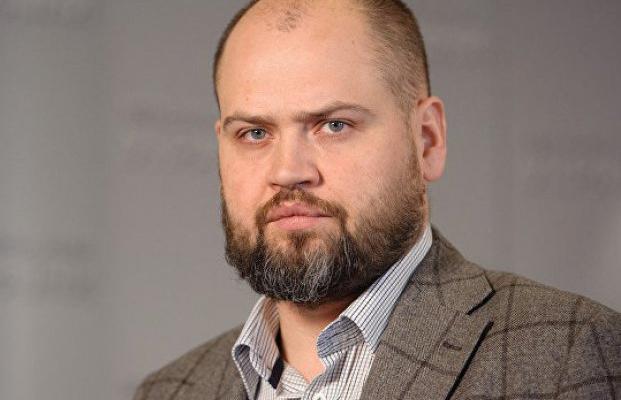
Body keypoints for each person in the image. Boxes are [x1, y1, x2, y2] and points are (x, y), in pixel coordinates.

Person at [133, 1, 621, 399]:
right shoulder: (169, 392)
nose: (288, 172)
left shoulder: (574, 357)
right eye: (255, 133)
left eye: (334, 125)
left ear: (426, 140)